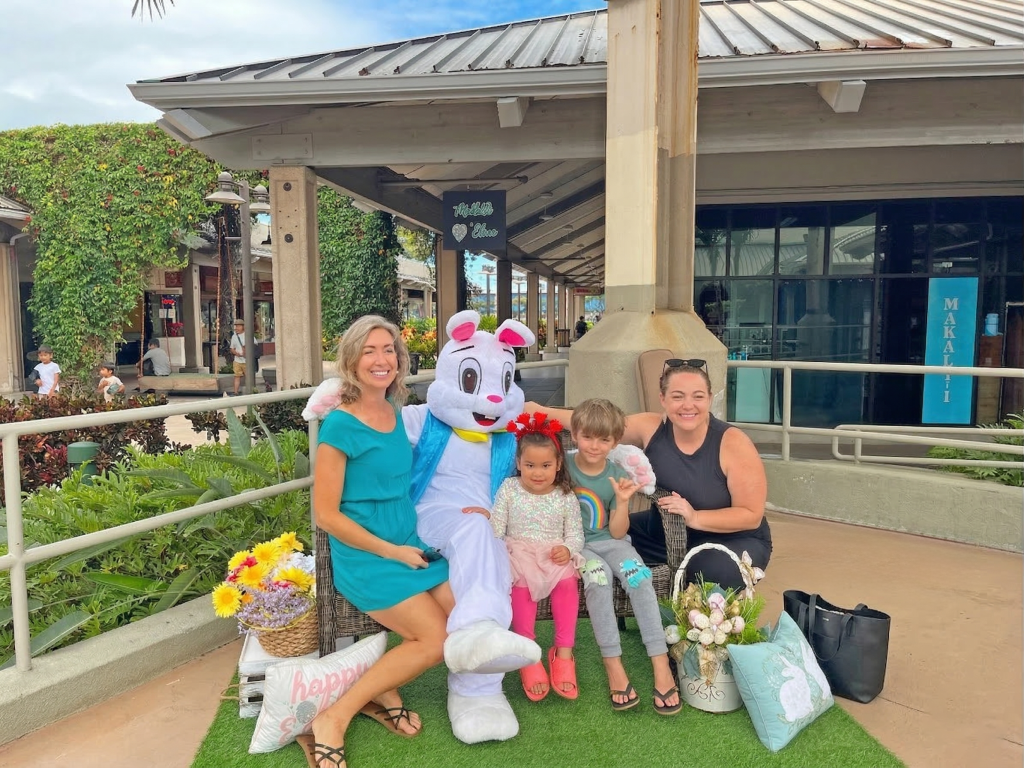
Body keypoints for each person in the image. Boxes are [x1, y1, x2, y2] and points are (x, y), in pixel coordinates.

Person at [304, 315, 455, 768]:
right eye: (369, 351)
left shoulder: (394, 410)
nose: (381, 359)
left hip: (409, 541)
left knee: (462, 611)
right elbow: (326, 515)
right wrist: (392, 552)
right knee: (434, 641)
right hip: (367, 555)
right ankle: (334, 717)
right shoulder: (339, 426)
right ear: (352, 360)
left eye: (388, 349)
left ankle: (385, 686)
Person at [566, 398, 680, 715]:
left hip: (611, 541)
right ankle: (613, 664)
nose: (595, 446)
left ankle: (660, 662)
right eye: (587, 437)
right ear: (574, 434)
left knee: (640, 579)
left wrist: (623, 501)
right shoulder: (563, 466)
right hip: (576, 545)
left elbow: (617, 533)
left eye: (604, 439)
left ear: (615, 441)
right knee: (599, 581)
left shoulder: (617, 474)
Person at [624, 359, 771, 590]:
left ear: (710, 399)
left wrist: (695, 517)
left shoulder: (734, 442)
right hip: (665, 533)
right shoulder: (650, 426)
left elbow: (751, 514)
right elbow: (596, 425)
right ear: (663, 399)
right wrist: (553, 416)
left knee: (711, 574)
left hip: (731, 538)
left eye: (698, 396)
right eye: (677, 396)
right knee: (603, 534)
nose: (688, 405)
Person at [469, 412, 584, 702]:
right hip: (519, 552)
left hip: (552, 555)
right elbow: (498, 528)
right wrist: (484, 518)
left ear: (558, 464)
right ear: (519, 463)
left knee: (568, 582)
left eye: (546, 465)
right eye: (530, 465)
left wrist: (568, 550)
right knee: (519, 586)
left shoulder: (565, 496)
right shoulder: (510, 488)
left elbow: (575, 535)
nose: (537, 473)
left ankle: (564, 653)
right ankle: (528, 655)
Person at [229, 319, 248, 395]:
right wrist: (236, 353)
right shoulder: (234, 336)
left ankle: (250, 391)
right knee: (237, 376)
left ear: (243, 327)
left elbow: (255, 345)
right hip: (237, 360)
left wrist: (245, 351)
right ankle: (235, 392)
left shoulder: (247, 335)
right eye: (236, 326)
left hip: (246, 360)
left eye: (238, 326)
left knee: (248, 377)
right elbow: (232, 348)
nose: (236, 328)